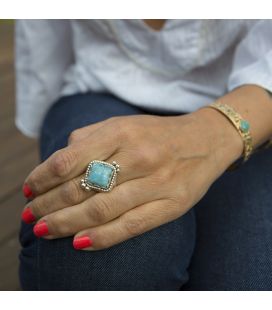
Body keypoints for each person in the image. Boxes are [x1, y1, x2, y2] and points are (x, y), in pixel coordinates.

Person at [16, 19, 272, 290]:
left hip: (254, 108)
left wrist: (215, 132)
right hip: (100, 86)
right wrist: (54, 145)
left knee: (252, 282)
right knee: (95, 261)